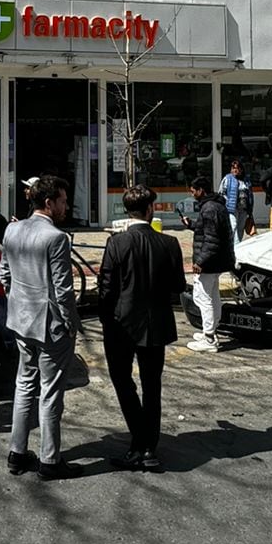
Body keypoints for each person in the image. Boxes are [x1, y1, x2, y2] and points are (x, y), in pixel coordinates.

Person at [97, 185, 187, 471]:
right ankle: (148, 444)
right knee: (152, 385)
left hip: (121, 323)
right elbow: (178, 287)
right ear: (149, 211)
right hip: (155, 323)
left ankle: (141, 440)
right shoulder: (169, 243)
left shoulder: (117, 243)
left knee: (123, 381)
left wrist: (105, 318)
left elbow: (106, 288)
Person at [1, 174, 81, 481]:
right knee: (50, 393)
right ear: (48, 203)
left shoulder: (12, 229)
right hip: (49, 325)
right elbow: (63, 290)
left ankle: (17, 452)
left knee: (24, 385)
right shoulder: (56, 238)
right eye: (62, 200)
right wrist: (72, 324)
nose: (66, 205)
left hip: (21, 320)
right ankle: (50, 459)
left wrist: (17, 302)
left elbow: (4, 274)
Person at [181, 178, 234, 353]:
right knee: (212, 296)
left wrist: (200, 261)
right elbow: (209, 231)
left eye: (193, 191)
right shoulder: (216, 206)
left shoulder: (209, 208)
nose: (192, 194)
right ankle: (210, 331)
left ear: (201, 190)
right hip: (218, 260)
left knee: (203, 298)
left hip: (210, 262)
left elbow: (212, 240)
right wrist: (193, 226)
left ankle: (209, 338)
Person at [218, 158, 254, 243]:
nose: (234, 170)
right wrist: (227, 202)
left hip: (244, 208)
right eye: (233, 168)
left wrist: (250, 208)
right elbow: (221, 192)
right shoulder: (228, 178)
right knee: (233, 227)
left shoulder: (246, 180)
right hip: (232, 208)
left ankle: (237, 246)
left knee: (240, 228)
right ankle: (232, 247)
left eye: (236, 168)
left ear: (241, 169)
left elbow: (250, 195)